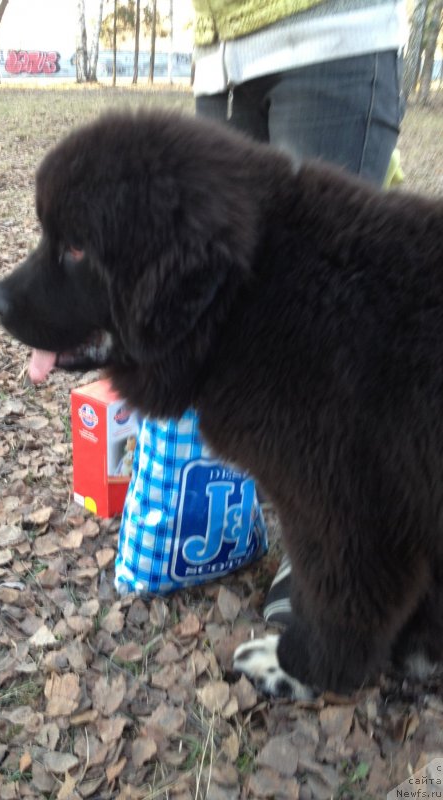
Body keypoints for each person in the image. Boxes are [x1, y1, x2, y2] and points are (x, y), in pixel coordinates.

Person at [130, 0, 405, 622]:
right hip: (221, 60)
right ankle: (275, 517)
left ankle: (332, 566)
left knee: (322, 335)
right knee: (237, 328)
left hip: (330, 37)